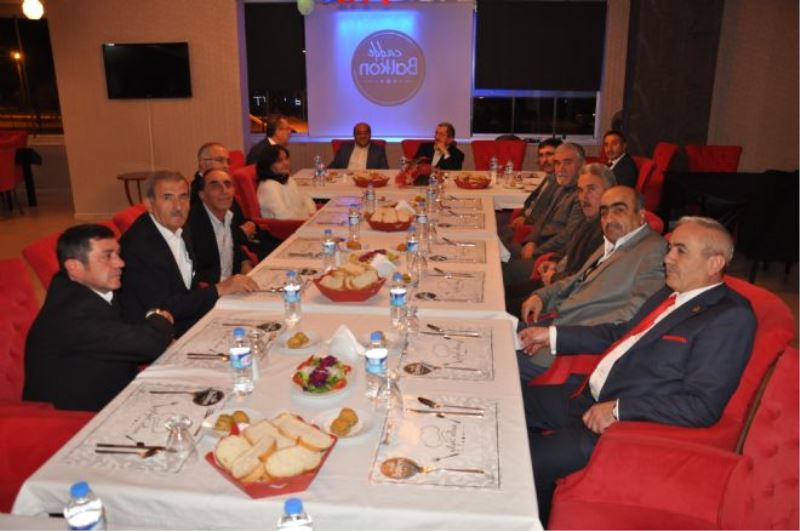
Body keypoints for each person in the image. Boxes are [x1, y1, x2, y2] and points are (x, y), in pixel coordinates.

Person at [519, 216, 756, 523]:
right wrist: (551, 335)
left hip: (621, 430)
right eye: (669, 248)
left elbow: (702, 406)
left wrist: (619, 409)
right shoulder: (669, 292)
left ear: (715, 263)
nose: (667, 258)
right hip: (584, 397)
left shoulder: (729, 318)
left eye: (680, 251)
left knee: (519, 462)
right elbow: (621, 334)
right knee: (504, 403)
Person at [517, 185, 666, 380]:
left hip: (571, 350)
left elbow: (633, 318)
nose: (609, 219)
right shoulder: (613, 241)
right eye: (604, 213)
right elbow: (576, 280)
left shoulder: (654, 250)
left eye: (619, 210)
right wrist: (541, 296)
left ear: (641, 215)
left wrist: (554, 336)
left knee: (491, 360)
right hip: (553, 323)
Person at [23, 224, 175, 411]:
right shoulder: (73, 313)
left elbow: (130, 328)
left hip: (110, 390)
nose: (120, 263)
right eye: (107, 256)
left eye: (118, 254)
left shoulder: (91, 287)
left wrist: (152, 323)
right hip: (71, 417)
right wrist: (158, 318)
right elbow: (149, 344)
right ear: (74, 267)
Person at [119, 171, 258, 337]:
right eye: (168, 197)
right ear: (149, 204)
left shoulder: (181, 228)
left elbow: (188, 290)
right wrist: (219, 289)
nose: (178, 206)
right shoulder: (139, 246)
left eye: (183, 197)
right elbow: (163, 308)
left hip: (187, 320)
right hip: (155, 335)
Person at [505, 163, 615, 316]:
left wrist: (554, 277)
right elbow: (569, 248)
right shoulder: (588, 218)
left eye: (591, 189)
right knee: (502, 294)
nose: (584, 196)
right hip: (557, 281)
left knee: (505, 304)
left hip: (567, 296)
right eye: (580, 190)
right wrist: (554, 261)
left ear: (610, 192)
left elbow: (588, 278)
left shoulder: (609, 230)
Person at [190, 142, 280, 260]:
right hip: (233, 249)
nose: (226, 166)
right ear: (203, 164)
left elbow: (236, 217)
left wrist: (251, 225)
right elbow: (210, 237)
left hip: (243, 238)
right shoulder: (198, 193)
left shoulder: (226, 184)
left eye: (228, 161)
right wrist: (242, 233)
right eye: (220, 160)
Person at [187, 168, 254, 286]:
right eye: (215, 186)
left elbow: (235, 247)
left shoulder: (230, 215)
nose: (224, 191)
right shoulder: (190, 225)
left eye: (228, 185)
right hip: (211, 290)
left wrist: (245, 262)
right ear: (202, 195)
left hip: (235, 287)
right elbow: (190, 272)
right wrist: (226, 282)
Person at [256, 144, 316, 220]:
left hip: (303, 220)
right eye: (279, 161)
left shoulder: (288, 180)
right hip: (289, 226)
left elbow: (305, 198)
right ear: (268, 165)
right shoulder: (268, 186)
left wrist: (312, 212)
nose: (286, 163)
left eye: (286, 158)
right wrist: (307, 217)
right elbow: (283, 216)